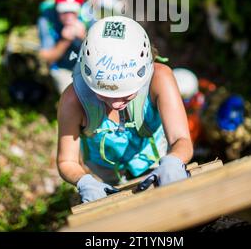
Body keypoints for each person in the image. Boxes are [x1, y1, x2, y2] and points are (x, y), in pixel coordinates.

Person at [57, 16, 193, 204]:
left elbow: (181, 139)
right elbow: (67, 161)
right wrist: (85, 181)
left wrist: (173, 161)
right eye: (104, 94)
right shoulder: (73, 100)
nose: (115, 104)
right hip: (106, 178)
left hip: (156, 163)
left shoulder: (160, 79)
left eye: (126, 94)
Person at [38, 0, 96, 94]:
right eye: (64, 11)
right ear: (56, 8)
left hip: (89, 65)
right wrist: (65, 41)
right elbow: (46, 57)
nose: (69, 17)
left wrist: (84, 36)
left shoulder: (88, 15)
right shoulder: (47, 20)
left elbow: (102, 48)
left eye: (73, 11)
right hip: (62, 69)